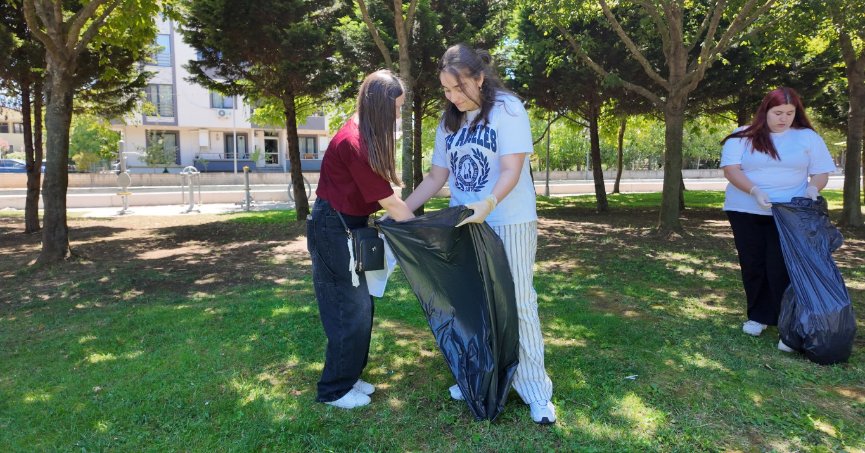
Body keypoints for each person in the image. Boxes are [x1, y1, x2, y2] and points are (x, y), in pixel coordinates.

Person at [404, 43, 556, 424]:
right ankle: (479, 377)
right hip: (464, 223)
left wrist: (487, 203)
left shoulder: (507, 109)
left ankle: (535, 389)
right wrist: (402, 212)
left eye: (459, 89)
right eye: (446, 90)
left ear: (479, 79)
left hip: (509, 219)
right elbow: (437, 177)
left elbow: (511, 169)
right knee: (473, 304)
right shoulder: (449, 121)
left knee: (518, 301)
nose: (453, 97)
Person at [307, 70, 414, 409]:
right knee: (347, 309)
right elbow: (390, 202)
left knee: (363, 306)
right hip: (333, 230)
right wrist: (423, 233)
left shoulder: (363, 134)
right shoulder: (354, 142)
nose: (398, 115)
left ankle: (349, 376)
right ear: (380, 106)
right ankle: (333, 390)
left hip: (349, 227)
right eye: (395, 108)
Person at [720, 87, 836, 352]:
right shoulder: (742, 136)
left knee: (780, 266)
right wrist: (755, 190)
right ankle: (758, 316)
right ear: (765, 111)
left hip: (789, 214)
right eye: (778, 113)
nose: (783, 118)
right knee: (753, 264)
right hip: (746, 210)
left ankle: (788, 323)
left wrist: (812, 190)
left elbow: (820, 172)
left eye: (790, 113)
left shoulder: (807, 137)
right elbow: (731, 170)